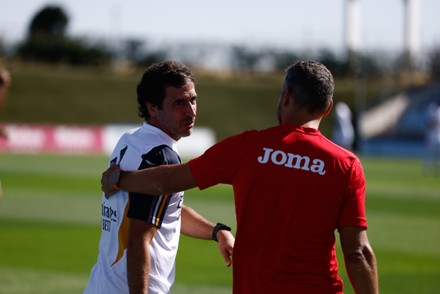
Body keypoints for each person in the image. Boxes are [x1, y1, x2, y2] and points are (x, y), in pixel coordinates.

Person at [101, 60, 379, 294]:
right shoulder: (346, 165)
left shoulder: (247, 148)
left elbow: (169, 181)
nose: (191, 110)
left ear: (286, 96)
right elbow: (358, 253)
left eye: (193, 100)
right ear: (328, 107)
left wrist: (120, 179)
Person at [84, 61, 234, 294]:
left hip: (100, 286)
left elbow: (166, 210)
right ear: (152, 107)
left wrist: (217, 231)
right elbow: (138, 241)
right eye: (179, 103)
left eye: (193, 100)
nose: (190, 111)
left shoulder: (129, 140)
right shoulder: (161, 157)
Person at [424, 102, 440, 175]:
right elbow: (429, 123)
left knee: (438, 154)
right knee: (429, 153)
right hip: (431, 135)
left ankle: (437, 169)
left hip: (438, 135)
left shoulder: (437, 112)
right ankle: (426, 169)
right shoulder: (431, 110)